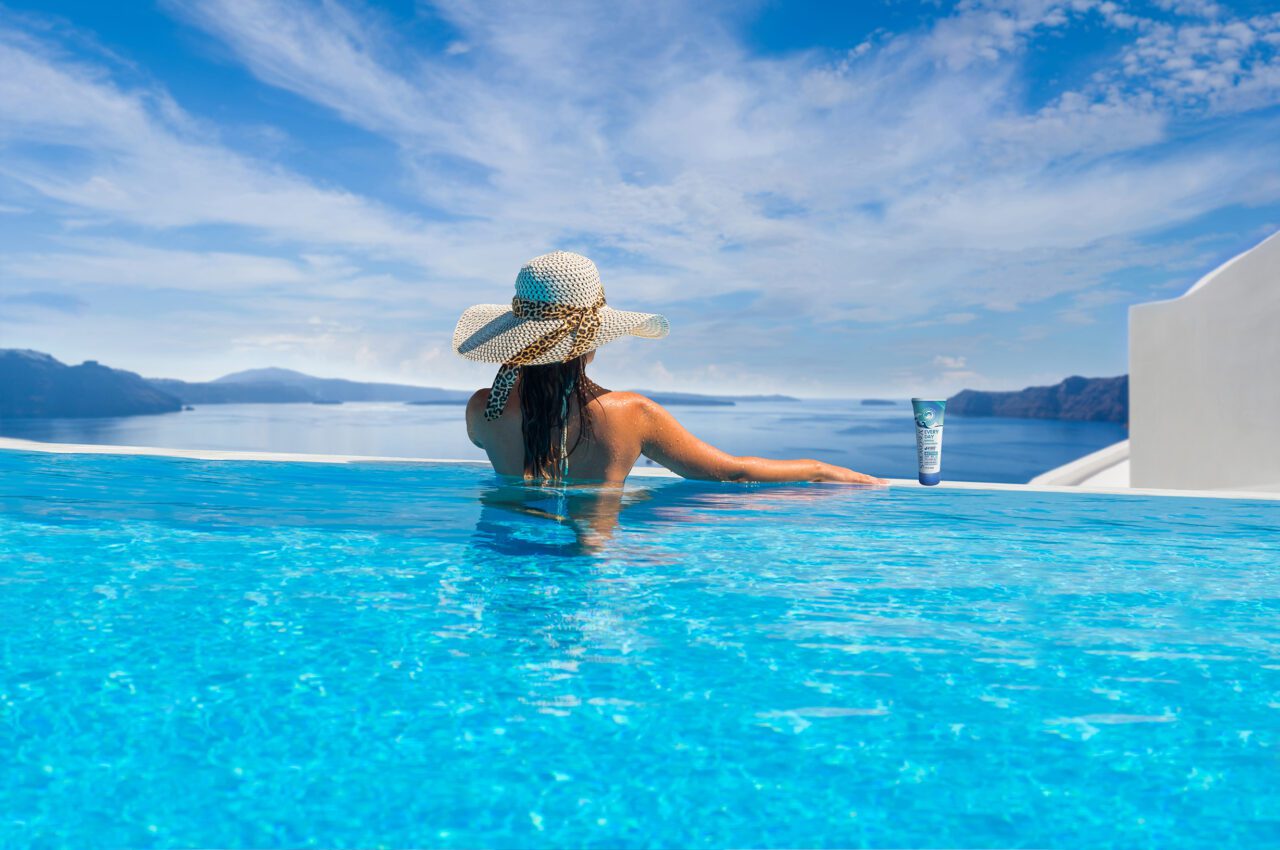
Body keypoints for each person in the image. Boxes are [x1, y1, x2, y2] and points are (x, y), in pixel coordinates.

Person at [452, 250, 887, 487]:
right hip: (589, 568)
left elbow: (515, 452)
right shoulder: (629, 415)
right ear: (592, 342)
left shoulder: (481, 411)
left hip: (503, 564)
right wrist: (819, 469)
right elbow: (732, 472)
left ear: (519, 337)